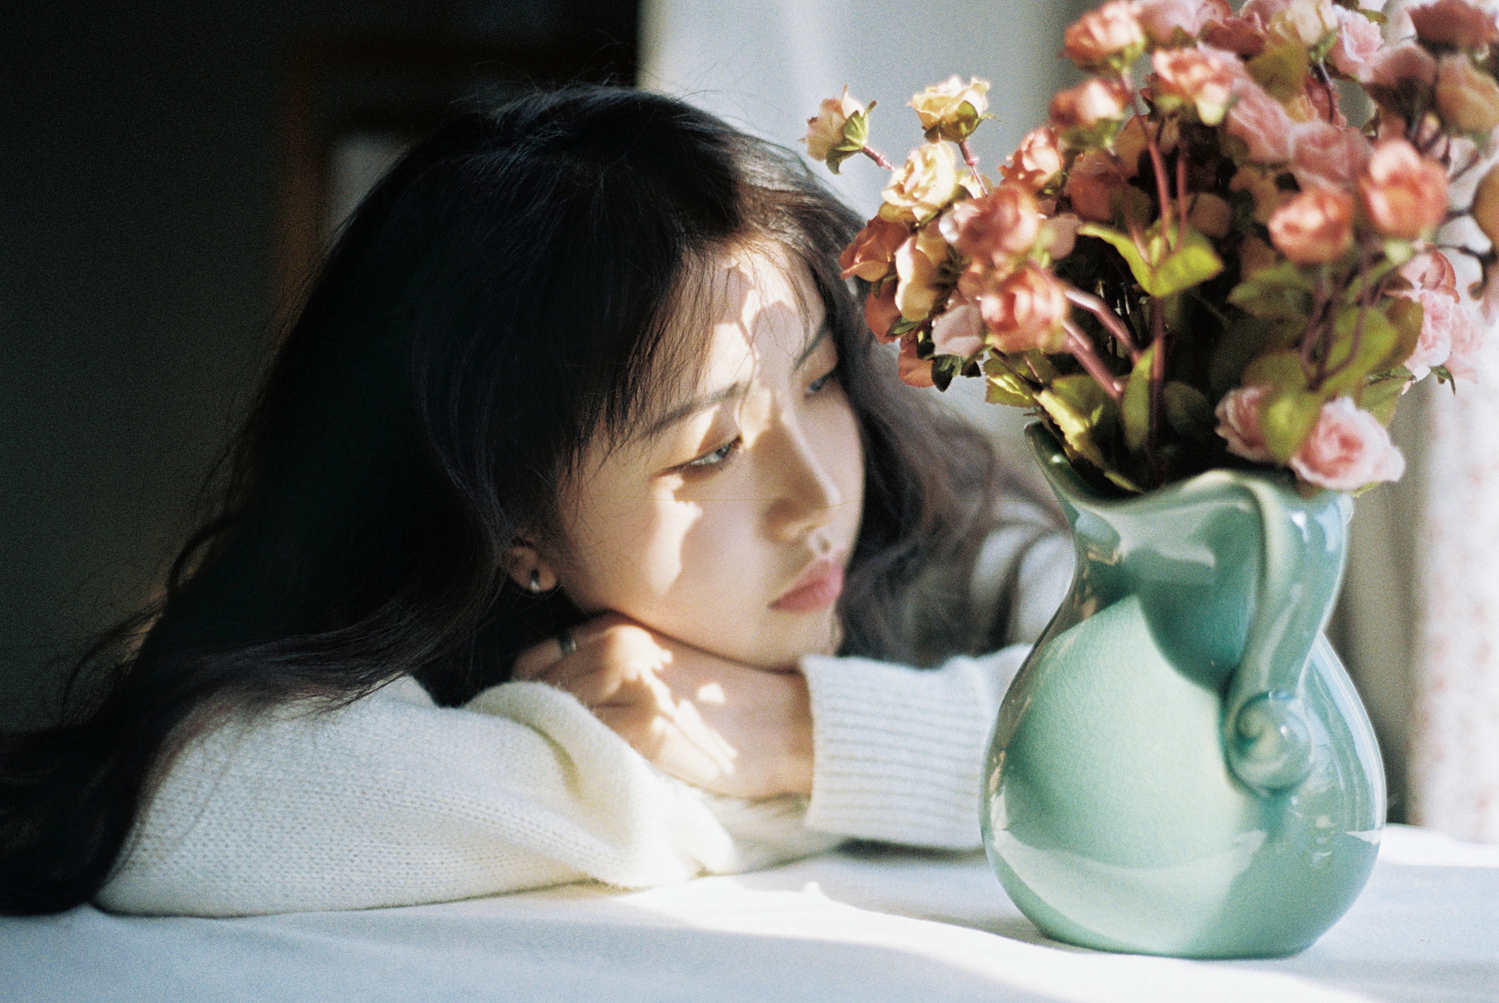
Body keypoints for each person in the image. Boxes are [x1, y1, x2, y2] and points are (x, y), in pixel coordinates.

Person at [0, 86, 1069, 917]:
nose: (817, 492)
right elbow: (181, 814)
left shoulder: (937, 521)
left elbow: (1153, 735)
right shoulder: (404, 634)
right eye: (709, 451)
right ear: (514, 528)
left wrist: (791, 734)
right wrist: (715, 778)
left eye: (822, 379)